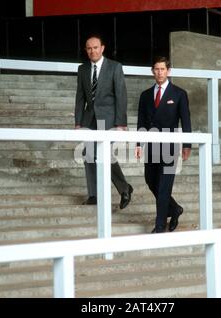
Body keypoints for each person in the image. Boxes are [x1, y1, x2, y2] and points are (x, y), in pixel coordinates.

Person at [75, 34, 133, 209]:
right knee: (88, 154)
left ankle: (124, 188)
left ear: (102, 48)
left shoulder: (115, 67)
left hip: (109, 119)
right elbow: (80, 97)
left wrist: (121, 123)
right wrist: (78, 122)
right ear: (86, 50)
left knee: (103, 154)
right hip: (89, 119)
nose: (92, 51)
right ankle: (95, 194)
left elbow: (121, 96)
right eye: (89, 48)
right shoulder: (82, 69)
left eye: (95, 47)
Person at [135, 56, 192, 233]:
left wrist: (187, 145)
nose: (159, 72)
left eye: (162, 69)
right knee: (151, 181)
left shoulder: (179, 94)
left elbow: (186, 120)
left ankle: (160, 225)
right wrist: (139, 143)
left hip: (169, 147)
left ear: (168, 71)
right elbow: (141, 121)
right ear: (153, 71)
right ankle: (174, 209)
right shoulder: (145, 95)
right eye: (156, 69)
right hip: (151, 145)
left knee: (164, 186)